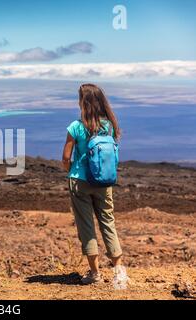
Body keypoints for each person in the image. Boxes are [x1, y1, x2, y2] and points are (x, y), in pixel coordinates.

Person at [62, 83, 128, 286]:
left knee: (86, 227)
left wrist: (72, 171)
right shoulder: (108, 125)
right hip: (104, 181)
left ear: (83, 102)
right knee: (108, 222)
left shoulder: (76, 126)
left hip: (80, 182)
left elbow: (66, 157)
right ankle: (119, 271)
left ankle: (95, 274)